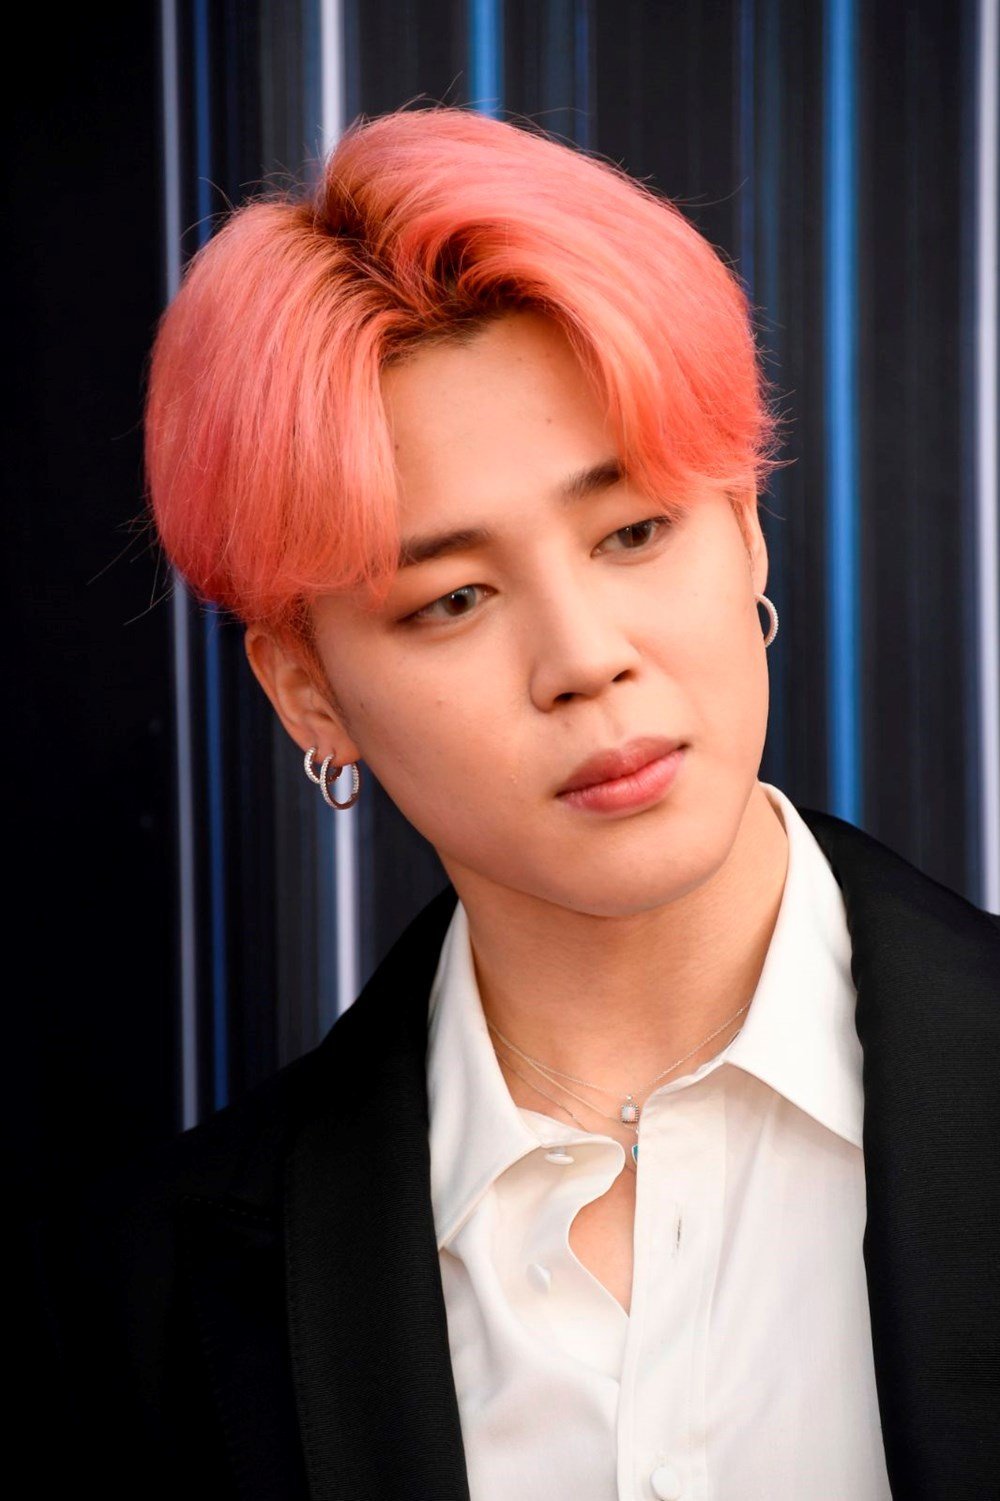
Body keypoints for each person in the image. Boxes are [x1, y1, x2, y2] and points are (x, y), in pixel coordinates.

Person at [25, 105, 999, 1501]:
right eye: (454, 598)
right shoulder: (151, 1304)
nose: (584, 657)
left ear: (745, 528)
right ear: (307, 690)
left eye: (634, 530)